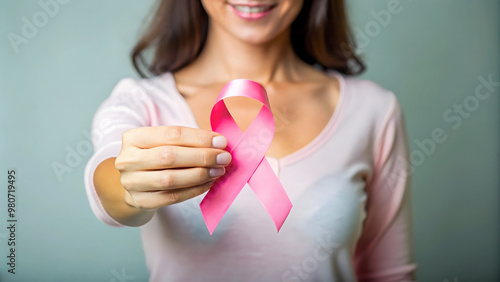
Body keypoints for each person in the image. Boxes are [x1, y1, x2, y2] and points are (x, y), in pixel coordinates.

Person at [84, 0, 417, 281]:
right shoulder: (141, 104)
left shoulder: (374, 110)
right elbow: (112, 173)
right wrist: (129, 187)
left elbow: (390, 274)